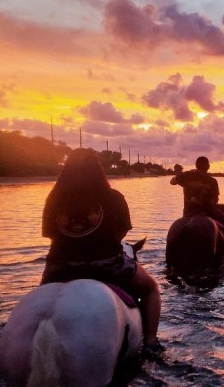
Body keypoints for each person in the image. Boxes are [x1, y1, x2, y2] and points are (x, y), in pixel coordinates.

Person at [41, 148, 162, 349]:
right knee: (151, 289)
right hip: (106, 264)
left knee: (42, 305)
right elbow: (121, 233)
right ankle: (150, 342)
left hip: (60, 266)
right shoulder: (113, 197)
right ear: (98, 169)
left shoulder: (54, 199)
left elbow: (49, 234)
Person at [170, 156, 224, 258]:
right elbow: (215, 200)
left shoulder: (187, 176)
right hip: (208, 210)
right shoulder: (212, 181)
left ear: (196, 165)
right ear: (208, 167)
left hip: (188, 211)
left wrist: (181, 176)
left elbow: (172, 181)